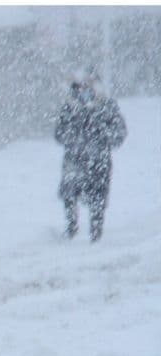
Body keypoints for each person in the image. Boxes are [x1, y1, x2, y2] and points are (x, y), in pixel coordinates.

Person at [55, 72, 127, 242]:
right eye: (80, 88)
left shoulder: (106, 106)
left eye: (88, 87)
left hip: (99, 161)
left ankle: (96, 231)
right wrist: (73, 138)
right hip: (74, 160)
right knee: (69, 193)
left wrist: (102, 134)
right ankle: (71, 227)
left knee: (98, 197)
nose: (84, 91)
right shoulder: (69, 108)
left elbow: (119, 133)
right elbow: (59, 133)